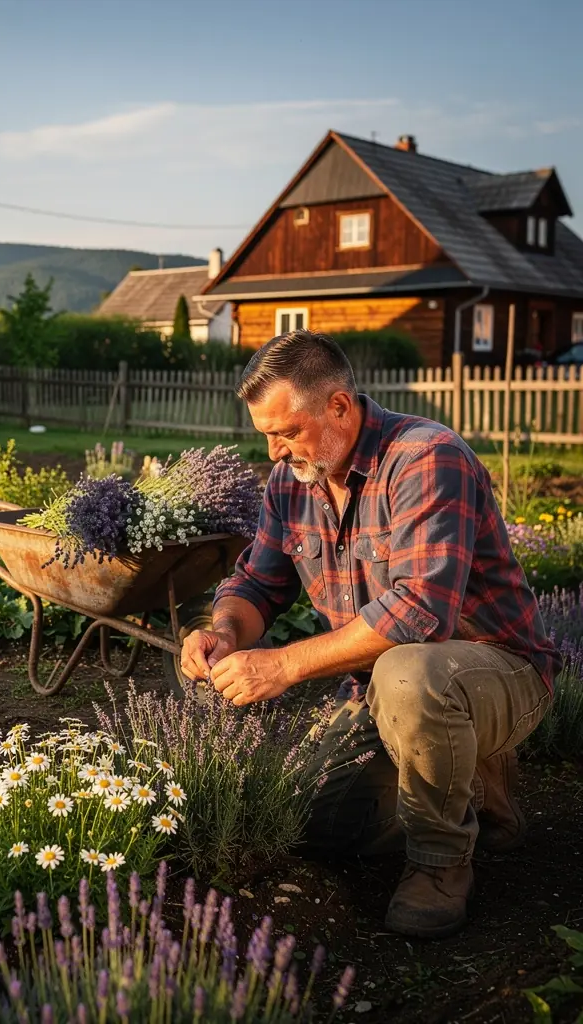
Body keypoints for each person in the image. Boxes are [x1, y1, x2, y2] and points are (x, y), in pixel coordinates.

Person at [180, 330, 559, 939]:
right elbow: (257, 584)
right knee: (319, 822)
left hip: (496, 671)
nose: (274, 450)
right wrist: (223, 633)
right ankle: (475, 785)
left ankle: (441, 865)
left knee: (409, 672)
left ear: (338, 405)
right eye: (266, 434)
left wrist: (280, 667)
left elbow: (419, 615)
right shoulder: (293, 482)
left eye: (287, 431)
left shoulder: (427, 457)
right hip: (383, 693)